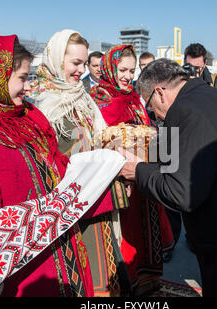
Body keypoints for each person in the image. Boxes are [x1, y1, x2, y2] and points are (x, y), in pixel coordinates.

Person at [0, 35, 101, 297]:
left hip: (64, 257)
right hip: (23, 277)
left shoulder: (29, 121)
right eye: (22, 78)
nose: (27, 88)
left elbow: (61, 175)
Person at [118, 58, 217, 296]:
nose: (154, 115)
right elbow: (179, 152)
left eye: (150, 106)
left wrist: (136, 170)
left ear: (160, 92)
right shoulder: (212, 98)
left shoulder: (182, 109)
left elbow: (181, 193)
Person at [29, 30, 132, 297]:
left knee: (107, 270)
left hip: (96, 198)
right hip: (67, 205)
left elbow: (100, 136)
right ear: (55, 58)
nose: (82, 70)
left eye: (85, 64)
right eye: (76, 63)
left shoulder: (83, 97)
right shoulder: (40, 102)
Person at [90, 45, 174, 295]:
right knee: (122, 238)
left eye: (131, 70)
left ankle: (146, 285)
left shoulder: (137, 99)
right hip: (116, 183)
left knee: (144, 236)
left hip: (142, 179)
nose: (127, 76)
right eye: (122, 70)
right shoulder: (97, 100)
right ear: (109, 69)